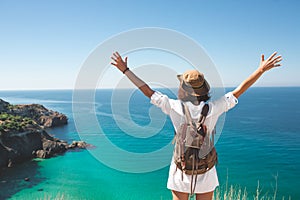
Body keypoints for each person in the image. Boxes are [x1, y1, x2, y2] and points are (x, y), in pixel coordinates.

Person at [111, 51, 282, 200]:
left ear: (184, 90)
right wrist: (260, 70)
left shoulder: (174, 106)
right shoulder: (214, 108)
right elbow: (239, 91)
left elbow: (147, 90)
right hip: (206, 170)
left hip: (181, 170)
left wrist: (125, 70)